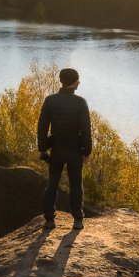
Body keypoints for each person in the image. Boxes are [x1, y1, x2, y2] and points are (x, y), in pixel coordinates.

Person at [37, 67, 92, 231]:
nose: (79, 83)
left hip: (57, 150)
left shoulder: (50, 100)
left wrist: (42, 149)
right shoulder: (80, 102)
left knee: (52, 184)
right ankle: (77, 220)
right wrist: (86, 151)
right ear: (74, 83)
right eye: (78, 81)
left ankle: (49, 220)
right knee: (76, 185)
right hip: (75, 150)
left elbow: (42, 127)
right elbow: (86, 129)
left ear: (61, 81)